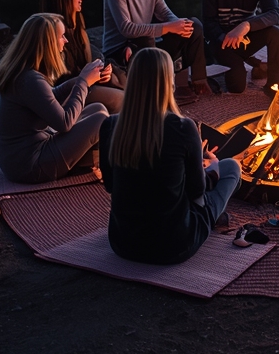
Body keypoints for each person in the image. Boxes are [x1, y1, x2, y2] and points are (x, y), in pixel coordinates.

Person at [99, 47, 241, 264]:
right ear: (168, 81)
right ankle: (212, 217)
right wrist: (211, 169)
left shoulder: (110, 125)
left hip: (122, 242)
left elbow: (111, 185)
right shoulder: (183, 127)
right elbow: (196, 192)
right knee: (231, 167)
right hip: (174, 245)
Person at [0, 13, 110, 184]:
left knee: (97, 108)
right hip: (30, 166)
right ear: (48, 43)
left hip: (19, 161)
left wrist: (84, 79)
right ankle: (107, 162)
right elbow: (64, 123)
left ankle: (91, 161)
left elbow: (50, 97)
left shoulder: (22, 73)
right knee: (100, 120)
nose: (66, 41)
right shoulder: (29, 80)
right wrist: (83, 82)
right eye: (62, 36)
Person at [102, 0, 210, 101]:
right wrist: (168, 27)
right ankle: (160, 91)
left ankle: (198, 82)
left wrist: (180, 26)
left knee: (194, 25)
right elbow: (127, 28)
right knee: (147, 39)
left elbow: (165, 13)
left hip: (146, 42)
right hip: (121, 48)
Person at [41, 0, 124, 112]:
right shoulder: (53, 34)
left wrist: (102, 73)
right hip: (70, 92)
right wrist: (90, 77)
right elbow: (60, 79)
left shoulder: (78, 28)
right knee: (121, 99)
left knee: (123, 80)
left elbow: (87, 63)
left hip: (85, 84)